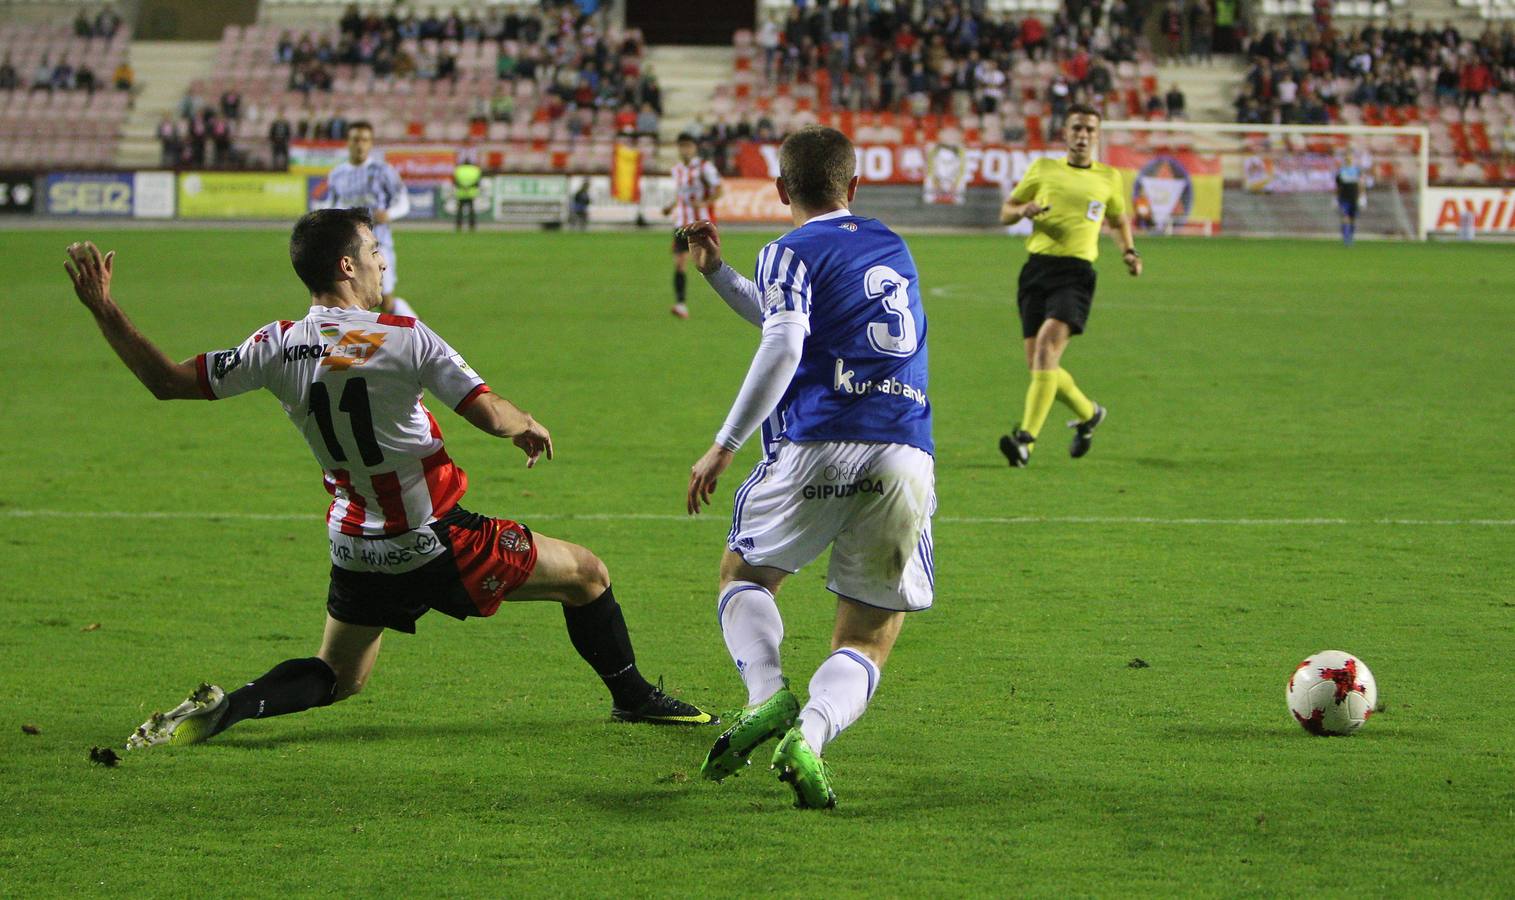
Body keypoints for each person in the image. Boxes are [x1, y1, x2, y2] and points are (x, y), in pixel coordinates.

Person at [59, 215, 714, 751]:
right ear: (346, 267)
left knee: (338, 676)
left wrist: (105, 310)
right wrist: (525, 425)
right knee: (587, 575)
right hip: (432, 540)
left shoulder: (274, 344)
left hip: (355, 543)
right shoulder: (402, 337)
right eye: (373, 251)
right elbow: (486, 411)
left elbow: (166, 381)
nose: (381, 263)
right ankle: (633, 698)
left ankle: (227, 709)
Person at [681, 125, 935, 809]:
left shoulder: (788, 248)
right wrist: (717, 275)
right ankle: (810, 737)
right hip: (904, 455)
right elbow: (789, 316)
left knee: (744, 574)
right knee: (865, 636)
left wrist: (724, 442)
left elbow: (785, 336)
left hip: (820, 441)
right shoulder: (889, 244)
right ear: (853, 187)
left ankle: (767, 697)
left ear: (779, 190)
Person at [998, 104, 1142, 467]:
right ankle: (1089, 413)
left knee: (1047, 349)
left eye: (1090, 130)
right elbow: (1006, 211)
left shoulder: (1108, 178)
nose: (1083, 135)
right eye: (1077, 128)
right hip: (1036, 270)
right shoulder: (1044, 169)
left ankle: (1025, 441)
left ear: (1098, 135)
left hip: (1076, 274)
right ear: (1065, 132)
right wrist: (1024, 211)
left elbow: (1118, 220)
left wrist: (1129, 251)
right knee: (1040, 367)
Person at [325, 121, 417, 317]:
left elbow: (403, 200)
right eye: (356, 139)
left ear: (370, 144)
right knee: (350, 301)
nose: (360, 144)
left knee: (384, 300)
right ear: (348, 142)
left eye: (365, 140)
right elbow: (330, 205)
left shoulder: (382, 171)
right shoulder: (337, 174)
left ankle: (417, 331)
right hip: (347, 248)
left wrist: (389, 214)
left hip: (379, 246)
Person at [661, 132, 722, 319]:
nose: (685, 150)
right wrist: (671, 206)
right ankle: (681, 304)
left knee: (708, 263)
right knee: (679, 264)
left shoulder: (704, 168)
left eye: (688, 146)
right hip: (681, 222)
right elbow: (682, 194)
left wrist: (704, 203)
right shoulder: (677, 170)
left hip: (700, 223)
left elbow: (719, 189)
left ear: (694, 148)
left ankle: (728, 294)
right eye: (682, 146)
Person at [1334, 152, 1364, 247]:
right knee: (1345, 217)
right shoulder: (1341, 171)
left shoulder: (1356, 170)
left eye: (1350, 157)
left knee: (1352, 218)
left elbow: (1360, 184)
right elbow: (1338, 186)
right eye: (1347, 157)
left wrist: (1362, 196)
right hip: (1344, 197)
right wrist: (1335, 197)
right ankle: (1346, 238)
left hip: (1354, 197)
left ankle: (1350, 236)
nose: (1349, 159)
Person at [452, 151, 482, 232]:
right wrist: (469, 187)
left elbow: (455, 181)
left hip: (461, 192)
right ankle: (472, 226)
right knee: (471, 210)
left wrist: (463, 186)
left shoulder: (458, 169)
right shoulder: (475, 170)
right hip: (471, 193)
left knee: (460, 211)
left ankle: (459, 226)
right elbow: (477, 182)